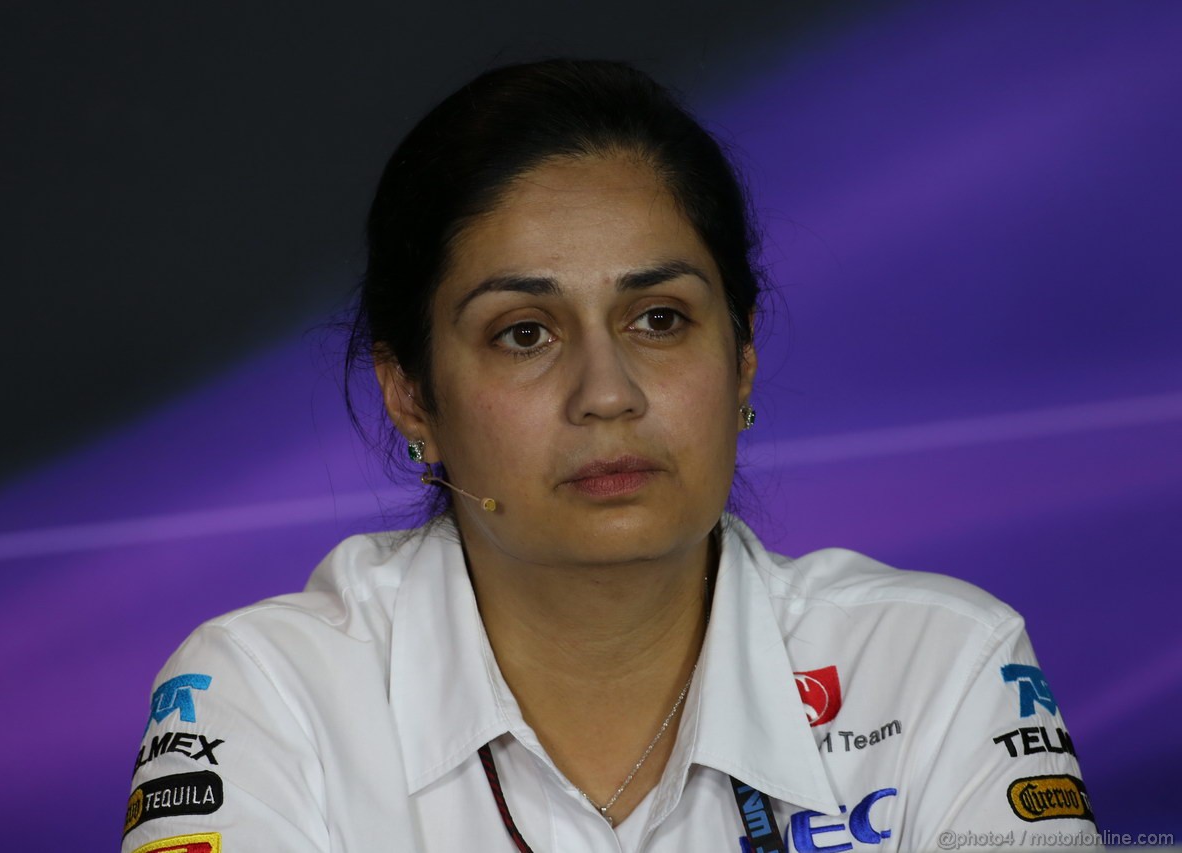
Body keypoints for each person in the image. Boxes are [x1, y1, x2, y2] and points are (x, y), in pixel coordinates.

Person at [121, 59, 1099, 853]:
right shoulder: (266, 694)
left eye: (659, 318)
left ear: (742, 356)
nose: (606, 391)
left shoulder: (934, 666)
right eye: (522, 333)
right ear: (408, 392)